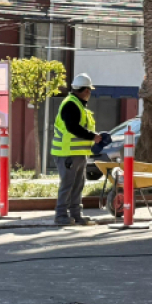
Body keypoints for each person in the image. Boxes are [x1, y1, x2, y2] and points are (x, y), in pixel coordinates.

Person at [50, 74, 103, 226]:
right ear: (86, 90)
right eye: (89, 91)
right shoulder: (71, 104)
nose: (90, 94)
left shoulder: (77, 105)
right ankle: (61, 215)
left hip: (77, 153)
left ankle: (76, 215)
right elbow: (72, 127)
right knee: (68, 185)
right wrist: (92, 136)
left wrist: (92, 137)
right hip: (67, 153)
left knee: (77, 185)